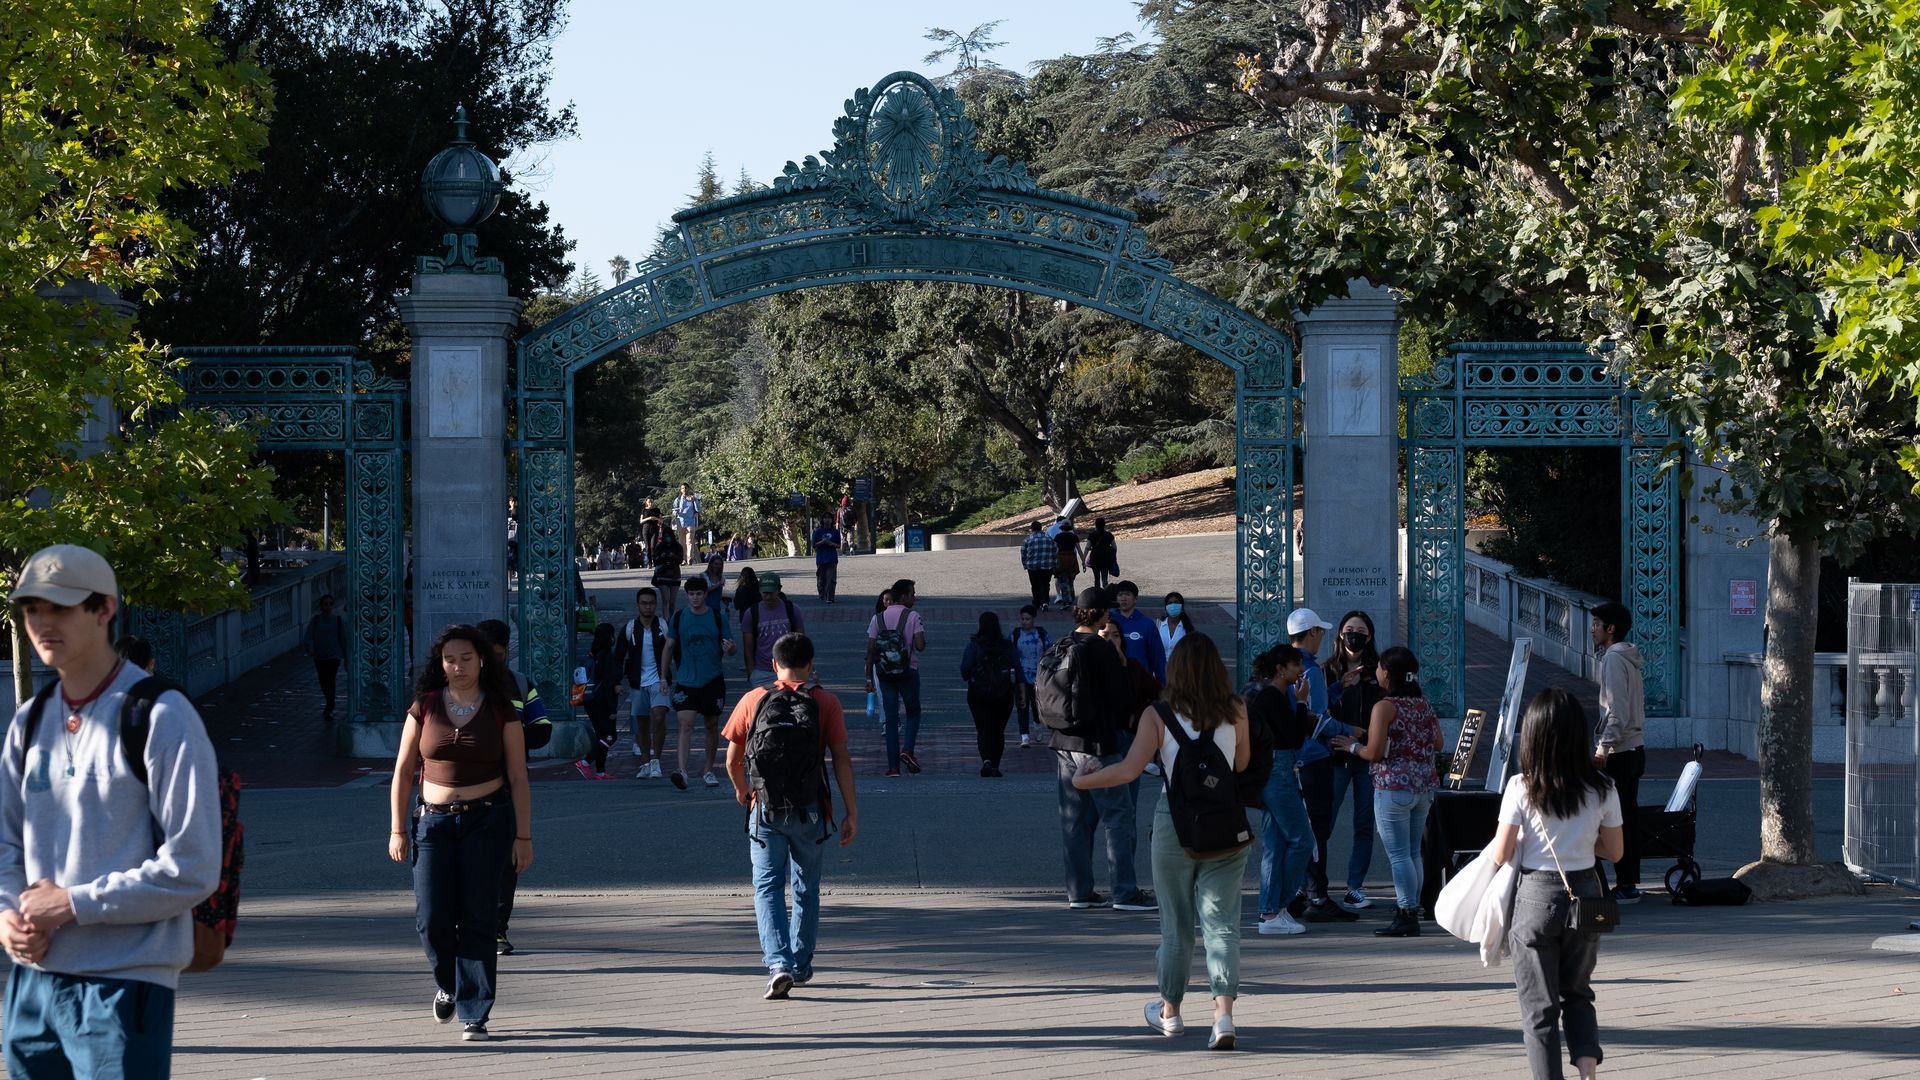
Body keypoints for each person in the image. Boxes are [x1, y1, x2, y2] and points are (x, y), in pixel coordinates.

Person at [2, 545, 221, 1074]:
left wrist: (74, 903)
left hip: (124, 983)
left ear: (105, 609)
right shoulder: (29, 721)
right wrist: (8, 915)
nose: (42, 623)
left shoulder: (162, 715)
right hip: (31, 984)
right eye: (32, 609)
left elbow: (193, 866)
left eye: (60, 607)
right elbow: (6, 842)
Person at [1073, 632, 1249, 1051]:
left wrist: (1084, 780)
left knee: (1176, 926)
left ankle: (1170, 1013)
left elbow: (1129, 771)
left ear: (1176, 669)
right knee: (1222, 925)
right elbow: (1240, 764)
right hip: (1226, 825)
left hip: (1176, 825)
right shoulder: (1237, 707)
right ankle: (1223, 1016)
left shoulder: (1159, 714)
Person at [387, 623, 533, 1042]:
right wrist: (398, 829)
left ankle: (475, 1011)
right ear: (441, 663)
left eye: (466, 658)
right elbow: (401, 770)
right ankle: (448, 983)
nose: (458, 666)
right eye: (450, 659)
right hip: (431, 822)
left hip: (487, 820)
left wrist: (524, 837)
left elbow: (519, 776)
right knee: (431, 917)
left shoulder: (502, 707)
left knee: (478, 916)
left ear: (482, 659)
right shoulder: (425, 705)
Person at [1491, 688, 1624, 1080]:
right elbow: (1614, 852)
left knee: (1539, 1007)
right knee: (1579, 992)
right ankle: (1588, 1073)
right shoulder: (1602, 788)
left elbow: (1501, 853)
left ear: (1532, 736)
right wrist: (1581, 840)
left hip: (1535, 896)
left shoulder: (1521, 787)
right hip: (1586, 893)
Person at [723, 632, 859, 999]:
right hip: (810, 808)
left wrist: (743, 791)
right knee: (806, 887)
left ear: (773, 664)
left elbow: (732, 760)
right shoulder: (825, 702)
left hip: (765, 808)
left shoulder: (754, 699)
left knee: (767, 887)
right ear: (811, 666)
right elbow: (842, 759)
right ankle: (799, 964)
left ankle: (777, 963)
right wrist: (851, 812)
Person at [1045, 587, 1155, 914]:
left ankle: (1079, 891)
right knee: (1118, 815)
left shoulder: (1061, 644)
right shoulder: (1100, 649)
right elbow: (1123, 697)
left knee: (1075, 820)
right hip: (1097, 745)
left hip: (1063, 742)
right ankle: (1124, 891)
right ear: (1102, 614)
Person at [1333, 646, 1442, 938]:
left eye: (1381, 667)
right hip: (1423, 787)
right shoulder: (1424, 704)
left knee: (1398, 855)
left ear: (1389, 674)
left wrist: (1352, 747)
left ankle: (1406, 912)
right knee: (1412, 853)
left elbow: (1374, 751)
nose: (1377, 672)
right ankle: (1413, 907)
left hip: (1392, 786)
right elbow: (1439, 743)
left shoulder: (1384, 707)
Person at [476, 618, 550, 957]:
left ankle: (497, 931)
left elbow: (543, 728)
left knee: (507, 863)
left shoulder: (520, 684)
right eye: (488, 654)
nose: (494, 661)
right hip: (467, 789)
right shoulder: (463, 686)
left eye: (499, 654)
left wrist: (513, 737)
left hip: (507, 788)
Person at [1289, 607, 1359, 924]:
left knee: (1299, 829)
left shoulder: (1287, 665)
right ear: (1313, 633)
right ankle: (1316, 895)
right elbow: (1317, 721)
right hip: (1312, 758)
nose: (1323, 637)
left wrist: (1336, 688)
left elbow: (1310, 706)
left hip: (1293, 757)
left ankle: (1302, 892)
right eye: (1321, 632)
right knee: (1316, 829)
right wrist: (1350, 731)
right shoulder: (1312, 669)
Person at [1250, 644, 1318, 936]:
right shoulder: (1273, 697)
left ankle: (1271, 912)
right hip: (1279, 770)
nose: (1300, 671)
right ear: (1281, 669)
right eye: (1295, 665)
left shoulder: (1269, 695)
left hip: (1271, 769)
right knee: (1302, 840)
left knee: (1276, 843)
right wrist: (1302, 703)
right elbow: (1293, 737)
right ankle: (1278, 905)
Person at [1319, 610, 1382, 914]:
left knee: (1364, 824)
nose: (1353, 634)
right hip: (1334, 757)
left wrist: (1363, 740)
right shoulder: (1326, 671)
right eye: (1348, 629)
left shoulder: (1378, 672)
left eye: (1360, 630)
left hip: (1366, 757)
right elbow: (1317, 712)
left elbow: (1386, 714)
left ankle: (1354, 887)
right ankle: (1314, 887)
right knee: (1323, 824)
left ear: (1369, 637)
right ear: (1340, 635)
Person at [1590, 601, 1645, 904]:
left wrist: (1602, 748)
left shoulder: (1613, 658)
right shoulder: (1629, 657)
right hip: (1635, 748)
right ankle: (1628, 882)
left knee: (1613, 819)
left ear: (1611, 629)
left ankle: (1625, 885)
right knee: (1627, 816)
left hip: (1620, 752)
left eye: (1597, 623)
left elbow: (1617, 711)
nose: (1592, 629)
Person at [664, 575, 736, 790]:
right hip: (686, 680)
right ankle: (682, 771)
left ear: (705, 594)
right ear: (687, 596)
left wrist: (729, 648)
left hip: (713, 679)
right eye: (691, 594)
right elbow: (668, 647)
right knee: (685, 723)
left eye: (699, 593)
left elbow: (732, 648)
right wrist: (663, 676)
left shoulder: (717, 616)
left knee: (711, 725)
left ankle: (708, 770)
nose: (695, 598)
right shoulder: (678, 618)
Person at [864, 579, 927, 777]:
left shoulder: (878, 618)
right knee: (913, 712)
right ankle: (907, 750)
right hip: (908, 671)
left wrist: (868, 678)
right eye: (912, 593)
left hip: (884, 673)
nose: (914, 597)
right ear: (903, 596)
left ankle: (893, 768)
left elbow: (871, 649)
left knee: (891, 719)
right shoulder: (913, 616)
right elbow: (920, 646)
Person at [613, 588, 671, 778]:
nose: (648, 607)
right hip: (637, 682)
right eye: (644, 603)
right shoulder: (630, 628)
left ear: (656, 605)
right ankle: (646, 762)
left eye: (652, 603)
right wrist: (616, 681)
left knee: (659, 716)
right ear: (638, 605)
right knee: (642, 724)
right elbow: (618, 656)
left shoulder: (663, 626)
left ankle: (656, 760)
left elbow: (674, 651)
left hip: (659, 681)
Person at [958, 612, 1018, 777]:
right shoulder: (1007, 646)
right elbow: (1017, 669)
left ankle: (986, 760)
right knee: (998, 730)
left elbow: (965, 669)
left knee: (983, 728)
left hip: (979, 693)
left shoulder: (975, 645)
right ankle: (996, 764)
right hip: (1003, 694)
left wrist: (971, 676)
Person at [742, 572, 805, 687]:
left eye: (771, 593)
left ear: (779, 590)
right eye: (765, 593)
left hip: (788, 670)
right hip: (761, 673)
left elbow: (801, 642)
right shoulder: (751, 613)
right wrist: (752, 673)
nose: (768, 597)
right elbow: (748, 648)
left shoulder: (792, 610)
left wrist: (800, 670)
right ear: (759, 591)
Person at [577, 623, 620, 780]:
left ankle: (600, 772)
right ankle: (586, 762)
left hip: (590, 700)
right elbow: (608, 684)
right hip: (603, 703)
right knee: (610, 736)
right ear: (610, 637)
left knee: (601, 736)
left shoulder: (592, 655)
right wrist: (613, 708)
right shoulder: (607, 656)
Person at [1109, 580, 1167, 683]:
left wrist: (1162, 685)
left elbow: (1158, 658)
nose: (1123, 598)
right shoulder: (1109, 623)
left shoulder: (1147, 624)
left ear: (1135, 599)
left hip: (1141, 683)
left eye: (1127, 594)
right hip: (1114, 682)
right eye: (1120, 595)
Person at [1010, 605, 1051, 749]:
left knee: (1037, 705)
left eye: (1027, 619)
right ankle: (1024, 735)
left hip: (1038, 676)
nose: (1024, 622)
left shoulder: (1041, 633)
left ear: (1033, 619)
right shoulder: (1015, 634)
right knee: (1022, 705)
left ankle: (1037, 724)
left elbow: (1050, 651)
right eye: (1022, 619)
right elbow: (1010, 653)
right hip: (1021, 676)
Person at [304, 592, 348, 721]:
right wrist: (311, 649)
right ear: (321, 606)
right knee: (323, 681)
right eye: (325, 604)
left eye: (330, 604)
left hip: (334, 656)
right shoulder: (316, 620)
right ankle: (329, 700)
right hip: (319, 656)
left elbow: (343, 639)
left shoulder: (338, 621)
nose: (328, 606)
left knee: (330, 679)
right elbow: (308, 636)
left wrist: (345, 655)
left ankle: (330, 704)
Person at [1020, 520, 1055, 611]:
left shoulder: (1028, 539)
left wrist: (1025, 564)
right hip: (1047, 566)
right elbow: (1055, 551)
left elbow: (1023, 553)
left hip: (1032, 566)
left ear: (1032, 529)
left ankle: (1036, 602)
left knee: (1035, 585)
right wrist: (1054, 564)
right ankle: (1045, 602)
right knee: (1045, 584)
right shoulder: (1049, 539)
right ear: (1041, 528)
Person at [650, 530, 685, 618]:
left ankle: (671, 618)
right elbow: (655, 560)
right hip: (663, 574)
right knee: (665, 600)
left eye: (669, 536)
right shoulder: (659, 546)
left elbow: (680, 560)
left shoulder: (678, 546)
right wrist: (662, 556)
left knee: (672, 602)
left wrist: (673, 556)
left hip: (675, 574)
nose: (667, 538)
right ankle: (666, 620)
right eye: (665, 536)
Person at [1052, 517, 1084, 608]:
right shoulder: (1074, 537)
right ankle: (1072, 598)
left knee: (1063, 580)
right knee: (1071, 580)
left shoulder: (1058, 537)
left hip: (1061, 559)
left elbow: (1054, 550)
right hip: (1072, 559)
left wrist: (1053, 561)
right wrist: (1083, 562)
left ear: (1061, 527)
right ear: (1070, 527)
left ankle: (1066, 601)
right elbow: (1079, 550)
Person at [811, 516, 842, 603]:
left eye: (829, 518)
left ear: (832, 520)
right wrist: (823, 542)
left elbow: (838, 545)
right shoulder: (818, 531)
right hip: (821, 558)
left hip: (832, 558)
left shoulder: (835, 532)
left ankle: (830, 597)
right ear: (822, 520)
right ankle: (822, 594)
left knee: (831, 579)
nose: (827, 519)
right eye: (825, 518)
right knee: (821, 579)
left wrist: (830, 543)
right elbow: (814, 544)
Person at [1086, 517, 1119, 590]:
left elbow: (1087, 547)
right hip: (1105, 558)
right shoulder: (1109, 535)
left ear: (1095, 525)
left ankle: (1097, 595)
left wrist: (1083, 559)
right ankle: (1106, 594)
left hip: (1095, 558)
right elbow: (1114, 547)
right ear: (1104, 525)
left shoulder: (1091, 535)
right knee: (1105, 579)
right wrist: (1112, 556)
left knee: (1096, 578)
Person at [1158, 592, 1194, 659]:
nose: (1173, 605)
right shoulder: (1158, 626)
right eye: (1170, 603)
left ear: (1182, 607)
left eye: (1176, 602)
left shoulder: (1188, 629)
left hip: (1180, 667)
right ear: (1166, 607)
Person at [672, 482, 702, 557]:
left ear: (688, 489)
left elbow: (698, 509)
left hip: (690, 522)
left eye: (686, 488)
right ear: (680, 490)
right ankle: (683, 558)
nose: (684, 489)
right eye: (682, 488)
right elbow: (674, 512)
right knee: (682, 542)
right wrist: (676, 512)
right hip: (680, 522)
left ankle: (689, 557)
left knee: (689, 541)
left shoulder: (692, 498)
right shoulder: (677, 500)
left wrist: (695, 500)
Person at [637, 499, 664, 569]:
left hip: (655, 529)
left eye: (651, 502)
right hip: (646, 529)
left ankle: (655, 561)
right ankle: (649, 562)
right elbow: (641, 521)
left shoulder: (657, 510)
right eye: (649, 502)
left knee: (653, 546)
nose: (650, 503)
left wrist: (656, 518)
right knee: (648, 547)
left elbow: (661, 520)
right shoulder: (644, 510)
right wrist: (649, 518)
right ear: (646, 503)